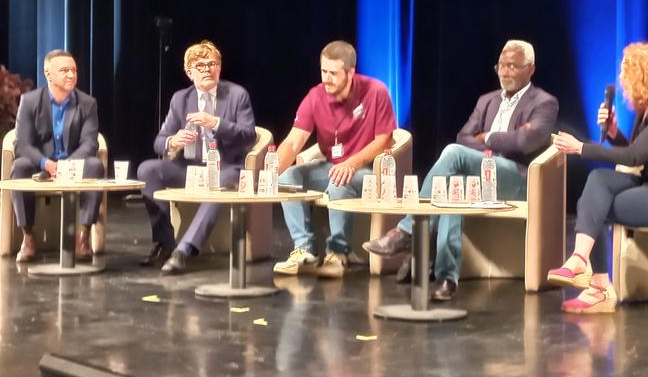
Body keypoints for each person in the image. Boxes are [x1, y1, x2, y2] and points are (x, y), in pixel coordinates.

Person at [364, 40, 559, 301]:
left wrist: (486, 137)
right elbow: (463, 136)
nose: (505, 72)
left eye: (513, 66)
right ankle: (446, 279)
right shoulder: (487, 100)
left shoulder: (545, 102)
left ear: (530, 69)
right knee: (452, 186)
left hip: (518, 179)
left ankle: (407, 232)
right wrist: (494, 140)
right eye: (501, 66)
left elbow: (525, 142)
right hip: (477, 176)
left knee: (453, 155)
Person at [548, 42, 648, 314]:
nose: (623, 81)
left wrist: (580, 147)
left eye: (627, 73)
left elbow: (633, 158)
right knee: (599, 180)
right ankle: (581, 261)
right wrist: (615, 132)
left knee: (597, 206)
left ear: (644, 74)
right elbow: (637, 151)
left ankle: (598, 288)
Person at [273, 41, 396, 278]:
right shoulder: (315, 96)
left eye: (333, 73)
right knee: (288, 177)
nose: (326, 78)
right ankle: (304, 250)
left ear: (350, 73)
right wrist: (270, 172)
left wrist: (352, 163)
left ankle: (337, 253)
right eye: (323, 71)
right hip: (331, 166)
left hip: (367, 169)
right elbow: (293, 142)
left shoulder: (376, 91)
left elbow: (385, 139)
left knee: (340, 180)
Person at [137, 40, 256, 274]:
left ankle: (185, 250)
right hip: (188, 167)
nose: (207, 70)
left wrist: (217, 123)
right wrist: (174, 141)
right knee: (147, 170)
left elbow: (248, 135)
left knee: (218, 183)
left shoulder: (236, 95)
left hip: (226, 167)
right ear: (189, 72)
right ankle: (165, 243)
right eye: (200, 66)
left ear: (219, 68)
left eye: (212, 64)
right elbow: (159, 141)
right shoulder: (180, 99)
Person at [11, 49, 104, 262]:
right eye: (65, 70)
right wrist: (46, 163)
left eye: (74, 70)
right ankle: (28, 237)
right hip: (41, 165)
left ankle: (83, 236)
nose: (71, 75)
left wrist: (66, 166)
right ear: (48, 74)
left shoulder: (87, 103)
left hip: (73, 163)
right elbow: (22, 144)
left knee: (95, 166)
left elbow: (90, 143)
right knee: (20, 166)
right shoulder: (29, 101)